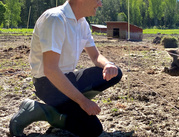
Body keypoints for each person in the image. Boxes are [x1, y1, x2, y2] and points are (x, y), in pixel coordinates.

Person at [9, 0, 122, 136]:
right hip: (48, 84)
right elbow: (50, 69)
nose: (100, 4)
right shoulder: (55, 19)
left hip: (68, 77)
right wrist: (83, 101)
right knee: (92, 130)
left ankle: (69, 106)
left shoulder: (82, 23)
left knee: (115, 72)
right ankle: (44, 111)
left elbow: (96, 56)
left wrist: (108, 64)